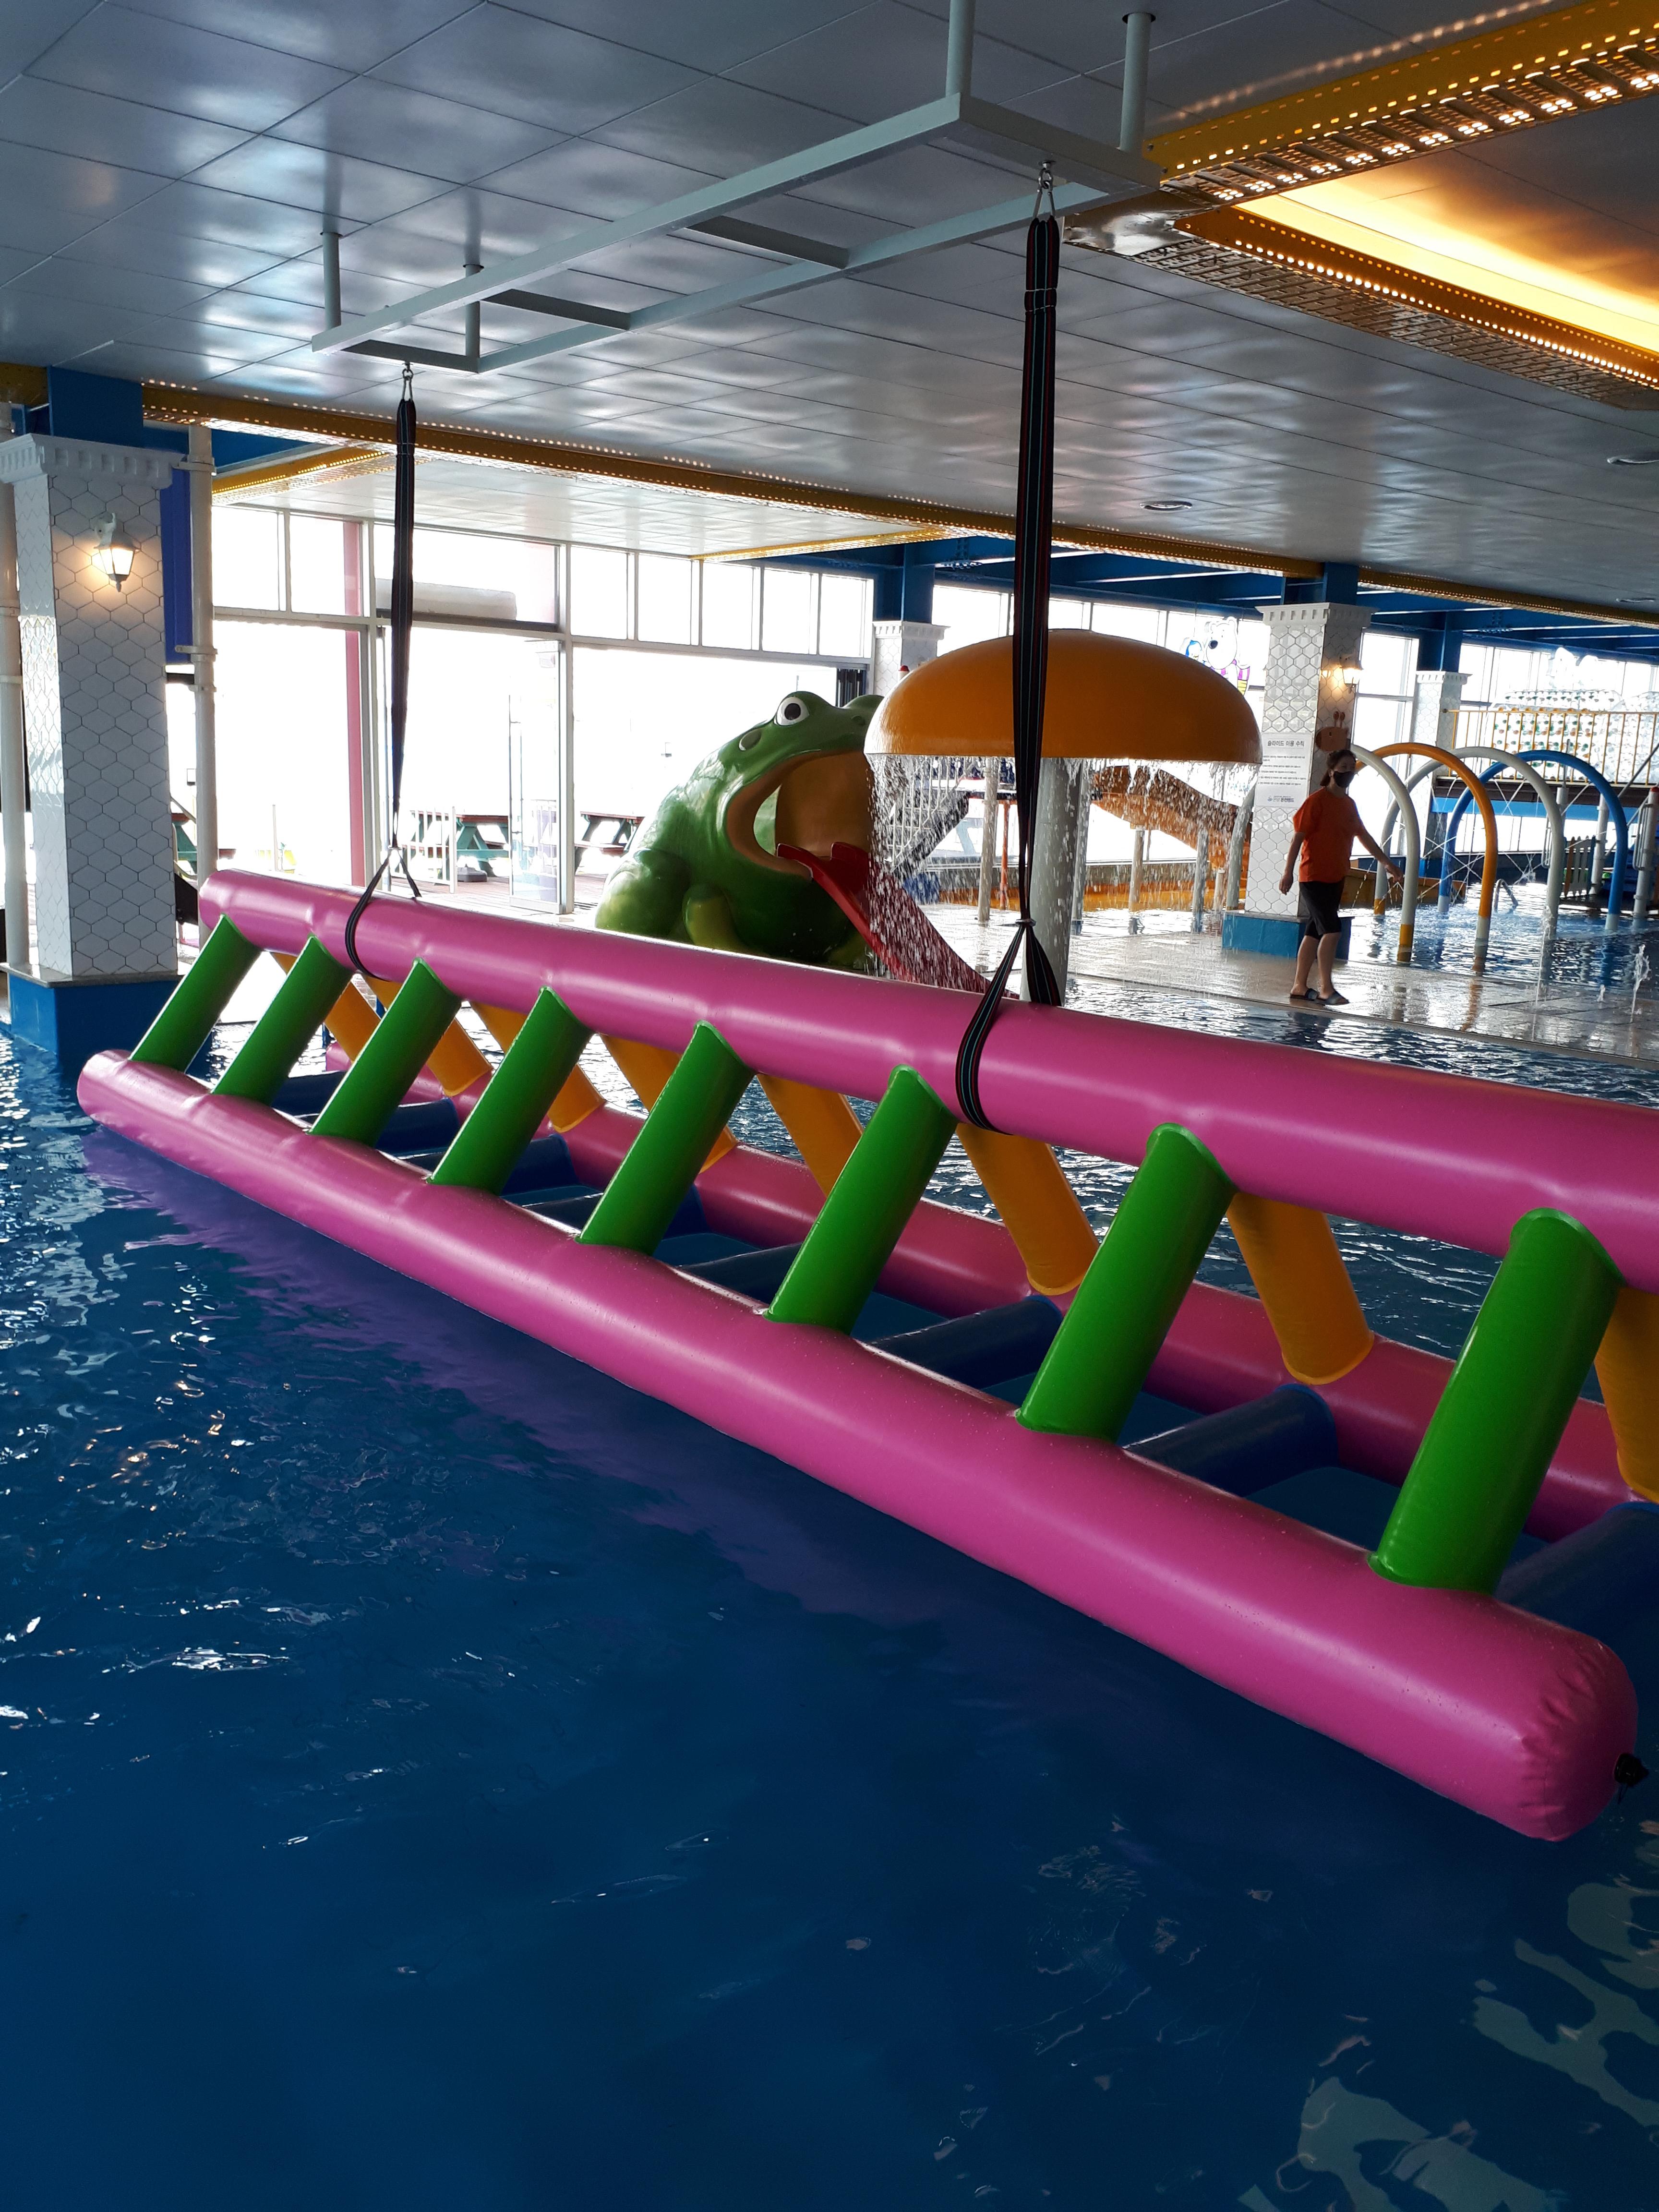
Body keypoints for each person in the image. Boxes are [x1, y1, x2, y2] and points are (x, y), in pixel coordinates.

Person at [1278, 749, 1403, 1006]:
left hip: (1336, 877)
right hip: (1313, 877)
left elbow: (1364, 837)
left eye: (1352, 768)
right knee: (1333, 931)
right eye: (1344, 767)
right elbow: (1298, 839)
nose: (1348, 772)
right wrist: (1288, 872)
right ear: (1332, 771)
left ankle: (1300, 986)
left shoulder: (1349, 805)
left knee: (1315, 931)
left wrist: (1387, 863)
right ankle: (1326, 988)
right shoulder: (1316, 802)